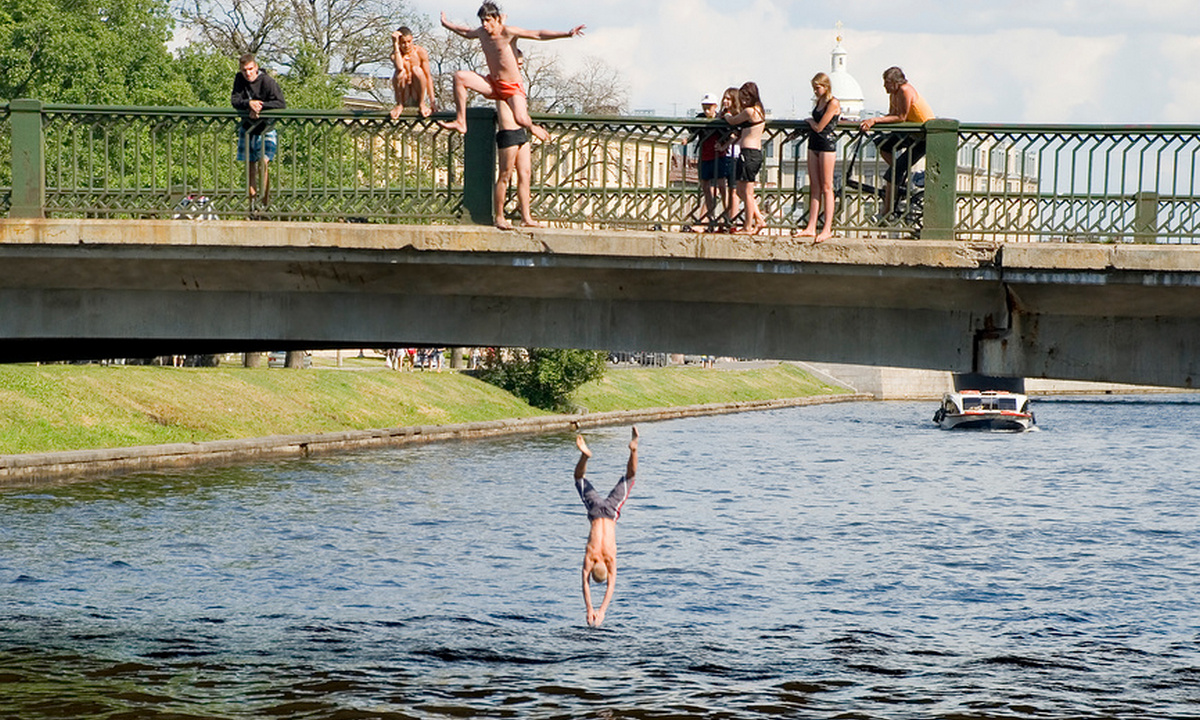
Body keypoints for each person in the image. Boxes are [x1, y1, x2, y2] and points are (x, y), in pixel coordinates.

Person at [438, 3, 584, 142]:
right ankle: (461, 121)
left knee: (520, 119)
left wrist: (567, 34)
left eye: (488, 20)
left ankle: (533, 127)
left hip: (512, 87)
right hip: (493, 84)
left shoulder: (508, 32)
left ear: (497, 19)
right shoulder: (482, 33)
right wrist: (446, 24)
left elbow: (538, 34)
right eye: (482, 20)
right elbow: (466, 32)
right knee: (460, 77)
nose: (484, 24)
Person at [575, 427, 638, 627]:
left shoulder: (607, 560)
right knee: (579, 479)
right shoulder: (592, 559)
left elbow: (609, 585)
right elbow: (586, 583)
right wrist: (595, 610)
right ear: (594, 568)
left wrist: (595, 610)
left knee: (630, 477)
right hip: (598, 512)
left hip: (610, 512)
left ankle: (633, 450)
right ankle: (631, 450)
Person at [858, 66, 934, 218]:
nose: (884, 86)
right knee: (882, 144)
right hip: (910, 133)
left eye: (887, 82)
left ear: (895, 82)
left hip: (923, 136)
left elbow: (901, 117)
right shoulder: (894, 93)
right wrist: (872, 122)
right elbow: (891, 114)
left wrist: (874, 120)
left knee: (891, 174)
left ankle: (886, 211)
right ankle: (903, 176)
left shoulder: (905, 91)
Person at [231, 54, 286, 211]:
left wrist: (260, 107)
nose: (248, 73)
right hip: (247, 128)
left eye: (250, 69)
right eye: (244, 70)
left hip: (266, 128)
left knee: (264, 163)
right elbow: (235, 100)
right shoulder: (239, 80)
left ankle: (265, 204)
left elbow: (281, 104)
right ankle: (252, 206)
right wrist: (249, 104)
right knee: (250, 167)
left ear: (256, 67)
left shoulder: (267, 81)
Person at [493, 47, 540, 229]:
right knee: (505, 175)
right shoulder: (503, 80)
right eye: (517, 64)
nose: (519, 67)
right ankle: (499, 216)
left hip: (521, 133)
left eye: (521, 65)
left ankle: (526, 217)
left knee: (525, 175)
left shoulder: (519, 82)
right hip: (507, 133)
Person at [795, 72, 841, 242]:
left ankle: (827, 227)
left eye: (817, 87)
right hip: (813, 144)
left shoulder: (833, 102)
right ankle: (811, 226)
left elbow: (821, 126)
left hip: (826, 144)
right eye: (813, 88)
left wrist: (809, 122)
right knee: (815, 186)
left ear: (825, 86)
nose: (815, 91)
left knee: (827, 187)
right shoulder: (819, 101)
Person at [724, 81, 766, 234]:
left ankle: (748, 226)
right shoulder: (760, 111)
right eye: (741, 98)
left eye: (746, 98)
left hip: (749, 154)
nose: (743, 101)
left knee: (747, 193)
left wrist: (727, 114)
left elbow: (733, 120)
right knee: (741, 191)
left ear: (753, 97)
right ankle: (759, 219)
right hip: (751, 154)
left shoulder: (750, 112)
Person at [388, 26, 437, 119]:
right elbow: (399, 67)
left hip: (417, 93)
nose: (406, 45)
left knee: (417, 70)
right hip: (404, 93)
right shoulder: (395, 54)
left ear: (412, 40)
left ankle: (422, 104)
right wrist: (395, 44)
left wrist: (432, 101)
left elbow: (428, 77)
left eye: (409, 42)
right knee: (400, 72)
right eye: (403, 43)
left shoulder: (420, 52)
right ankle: (399, 104)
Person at [691, 93, 723, 232]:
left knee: (721, 186)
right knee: (706, 186)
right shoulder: (700, 118)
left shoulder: (720, 119)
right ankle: (710, 216)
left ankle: (723, 218)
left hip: (718, 156)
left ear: (715, 107)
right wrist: (688, 139)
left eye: (709, 107)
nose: (706, 110)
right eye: (704, 107)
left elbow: (728, 134)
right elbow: (693, 131)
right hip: (705, 156)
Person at [716, 87, 743, 231]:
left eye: (728, 98)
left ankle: (732, 221)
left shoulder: (738, 115)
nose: (725, 101)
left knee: (734, 190)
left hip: (735, 154)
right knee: (721, 188)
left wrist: (725, 145)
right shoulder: (722, 115)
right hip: (724, 155)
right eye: (724, 98)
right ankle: (726, 218)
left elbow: (737, 135)